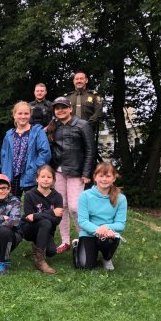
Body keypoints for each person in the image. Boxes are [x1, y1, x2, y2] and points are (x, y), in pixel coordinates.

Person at [49, 96, 95, 253]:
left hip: (76, 171)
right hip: (58, 171)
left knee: (76, 207)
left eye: (63, 107)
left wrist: (87, 172)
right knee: (61, 207)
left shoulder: (83, 125)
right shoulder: (53, 126)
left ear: (70, 108)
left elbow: (90, 149)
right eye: (57, 108)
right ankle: (65, 241)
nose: (60, 110)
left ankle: (85, 238)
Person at [75, 162, 127, 270]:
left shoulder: (121, 198)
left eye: (108, 176)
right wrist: (99, 229)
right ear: (95, 177)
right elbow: (82, 221)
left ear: (114, 178)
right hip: (89, 233)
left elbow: (120, 224)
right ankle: (77, 246)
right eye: (101, 176)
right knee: (84, 266)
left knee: (105, 241)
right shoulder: (85, 195)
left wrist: (106, 228)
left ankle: (106, 258)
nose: (104, 179)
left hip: (108, 235)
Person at [0, 101, 51, 198]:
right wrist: (5, 172)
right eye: (20, 113)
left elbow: (45, 152)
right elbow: (4, 155)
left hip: (31, 175)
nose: (23, 116)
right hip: (12, 176)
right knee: (12, 206)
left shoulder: (37, 131)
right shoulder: (9, 135)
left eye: (26, 113)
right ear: (14, 115)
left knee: (32, 207)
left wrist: (35, 169)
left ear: (30, 115)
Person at [21, 165, 63, 274]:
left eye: (49, 177)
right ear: (37, 179)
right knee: (46, 222)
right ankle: (39, 260)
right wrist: (51, 212)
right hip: (29, 229)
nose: (45, 179)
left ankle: (38, 244)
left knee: (51, 252)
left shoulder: (57, 197)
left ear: (53, 180)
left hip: (48, 230)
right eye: (43, 176)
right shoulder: (29, 195)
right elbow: (29, 218)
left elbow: (57, 221)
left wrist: (36, 215)